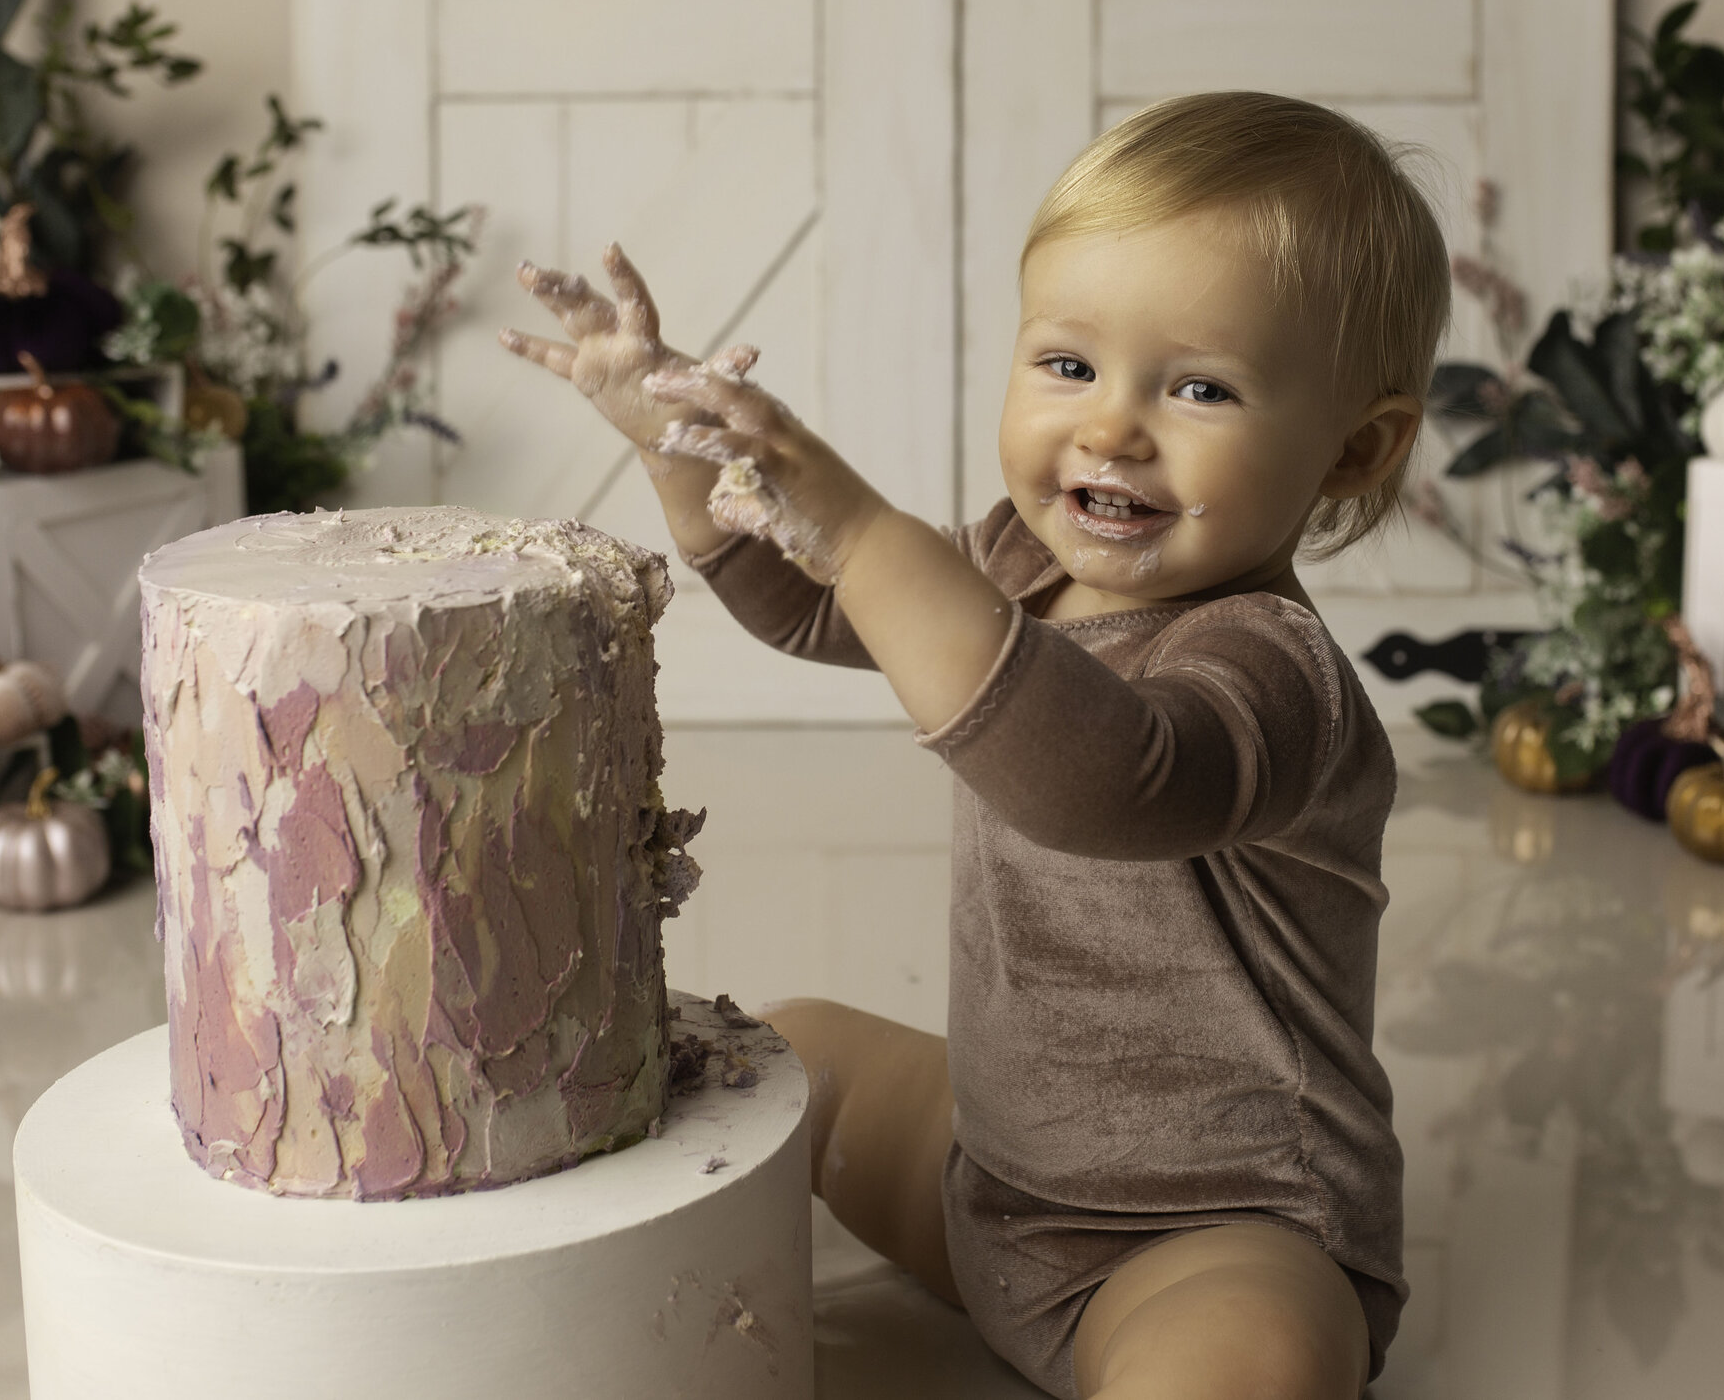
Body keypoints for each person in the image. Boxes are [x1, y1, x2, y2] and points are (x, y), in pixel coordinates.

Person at [500, 92, 1446, 1399]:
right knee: (781, 1055)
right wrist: (682, 459)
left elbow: (1101, 778)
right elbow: (833, 609)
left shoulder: (1274, 672)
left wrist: (857, 517)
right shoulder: (1018, 561)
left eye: (1199, 388)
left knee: (1252, 1366)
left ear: (1354, 448)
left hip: (1218, 1230)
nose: (1112, 427)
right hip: (990, 1177)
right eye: (1069, 365)